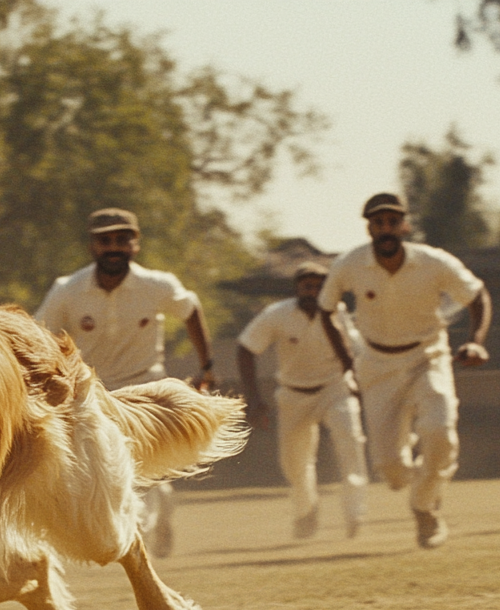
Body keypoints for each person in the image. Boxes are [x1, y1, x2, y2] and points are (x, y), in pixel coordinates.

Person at [34, 207, 215, 557]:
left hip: (146, 388)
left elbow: (190, 309)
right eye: (105, 241)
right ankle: (137, 538)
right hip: (90, 395)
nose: (113, 247)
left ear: (136, 244)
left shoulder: (156, 285)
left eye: (122, 239)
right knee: (98, 476)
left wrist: (206, 366)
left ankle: (141, 543)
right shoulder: (67, 290)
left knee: (149, 473)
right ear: (92, 245)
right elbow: (41, 336)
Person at [317, 193, 491, 549]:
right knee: (391, 471)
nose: (386, 229)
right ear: (369, 228)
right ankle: (418, 477)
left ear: (405, 225)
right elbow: (325, 309)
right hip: (376, 366)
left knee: (441, 432)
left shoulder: (433, 262)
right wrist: (348, 361)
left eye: (392, 222)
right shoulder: (350, 264)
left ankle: (425, 508)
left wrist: (476, 341)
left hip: (428, 355)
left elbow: (477, 296)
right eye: (378, 223)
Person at [236, 262, 368, 539]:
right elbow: (246, 348)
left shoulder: (337, 311)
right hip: (293, 395)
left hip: (335, 389)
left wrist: (356, 381)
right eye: (308, 285)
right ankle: (305, 512)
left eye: (321, 286)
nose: (314, 291)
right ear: (297, 288)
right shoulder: (277, 314)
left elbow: (353, 351)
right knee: (295, 464)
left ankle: (355, 513)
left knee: (350, 441)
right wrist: (254, 398)